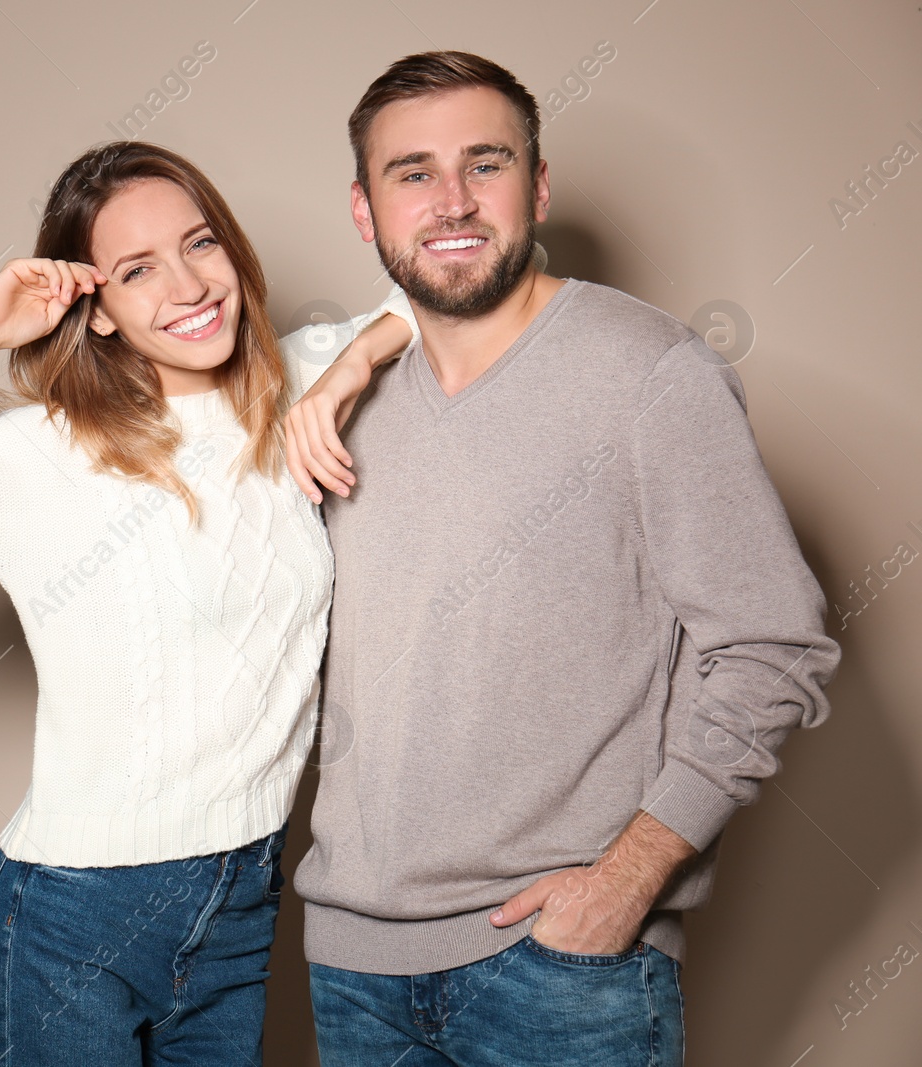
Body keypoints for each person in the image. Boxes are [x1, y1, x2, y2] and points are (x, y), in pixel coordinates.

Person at [0, 141, 416, 1066]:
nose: (188, 286)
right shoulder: (40, 455)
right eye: (137, 270)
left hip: (242, 898)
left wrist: (356, 363)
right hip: (73, 920)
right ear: (96, 310)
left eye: (201, 245)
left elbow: (473, 289)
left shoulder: (299, 384)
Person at [281, 51, 840, 1065]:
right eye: (411, 173)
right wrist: (356, 354)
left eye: (483, 164)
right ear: (364, 212)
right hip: (352, 966)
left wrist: (628, 879)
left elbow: (773, 645)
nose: (450, 201)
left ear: (536, 186)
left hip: (562, 966)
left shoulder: (650, 372)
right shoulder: (333, 395)